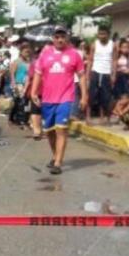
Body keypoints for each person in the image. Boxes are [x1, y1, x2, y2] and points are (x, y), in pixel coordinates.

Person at [31, 25, 88, 175]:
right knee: (49, 131)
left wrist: (84, 95)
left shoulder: (74, 54)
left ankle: (57, 163)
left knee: (61, 130)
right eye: (57, 37)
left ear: (67, 37)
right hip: (48, 98)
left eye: (63, 36)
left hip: (66, 97)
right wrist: (33, 92)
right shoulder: (45, 54)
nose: (60, 39)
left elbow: (82, 76)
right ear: (53, 38)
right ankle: (56, 155)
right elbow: (37, 73)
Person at [86, 25, 116, 125]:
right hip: (95, 71)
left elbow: (114, 60)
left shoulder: (113, 45)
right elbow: (90, 60)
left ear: (108, 34)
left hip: (106, 73)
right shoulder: (94, 45)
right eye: (100, 34)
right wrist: (88, 75)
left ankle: (104, 118)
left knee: (105, 97)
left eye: (104, 34)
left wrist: (113, 74)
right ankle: (88, 117)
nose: (102, 36)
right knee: (92, 96)